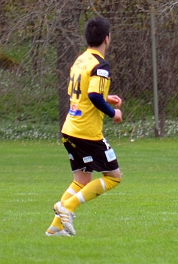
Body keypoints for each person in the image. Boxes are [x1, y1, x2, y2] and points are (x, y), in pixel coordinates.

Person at [46, 17, 124, 237]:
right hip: (86, 132)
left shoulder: (81, 60)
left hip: (70, 128)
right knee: (114, 177)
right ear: (107, 39)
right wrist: (113, 113)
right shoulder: (101, 65)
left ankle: (55, 228)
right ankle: (66, 208)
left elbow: (83, 92)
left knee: (81, 180)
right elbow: (91, 94)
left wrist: (105, 97)